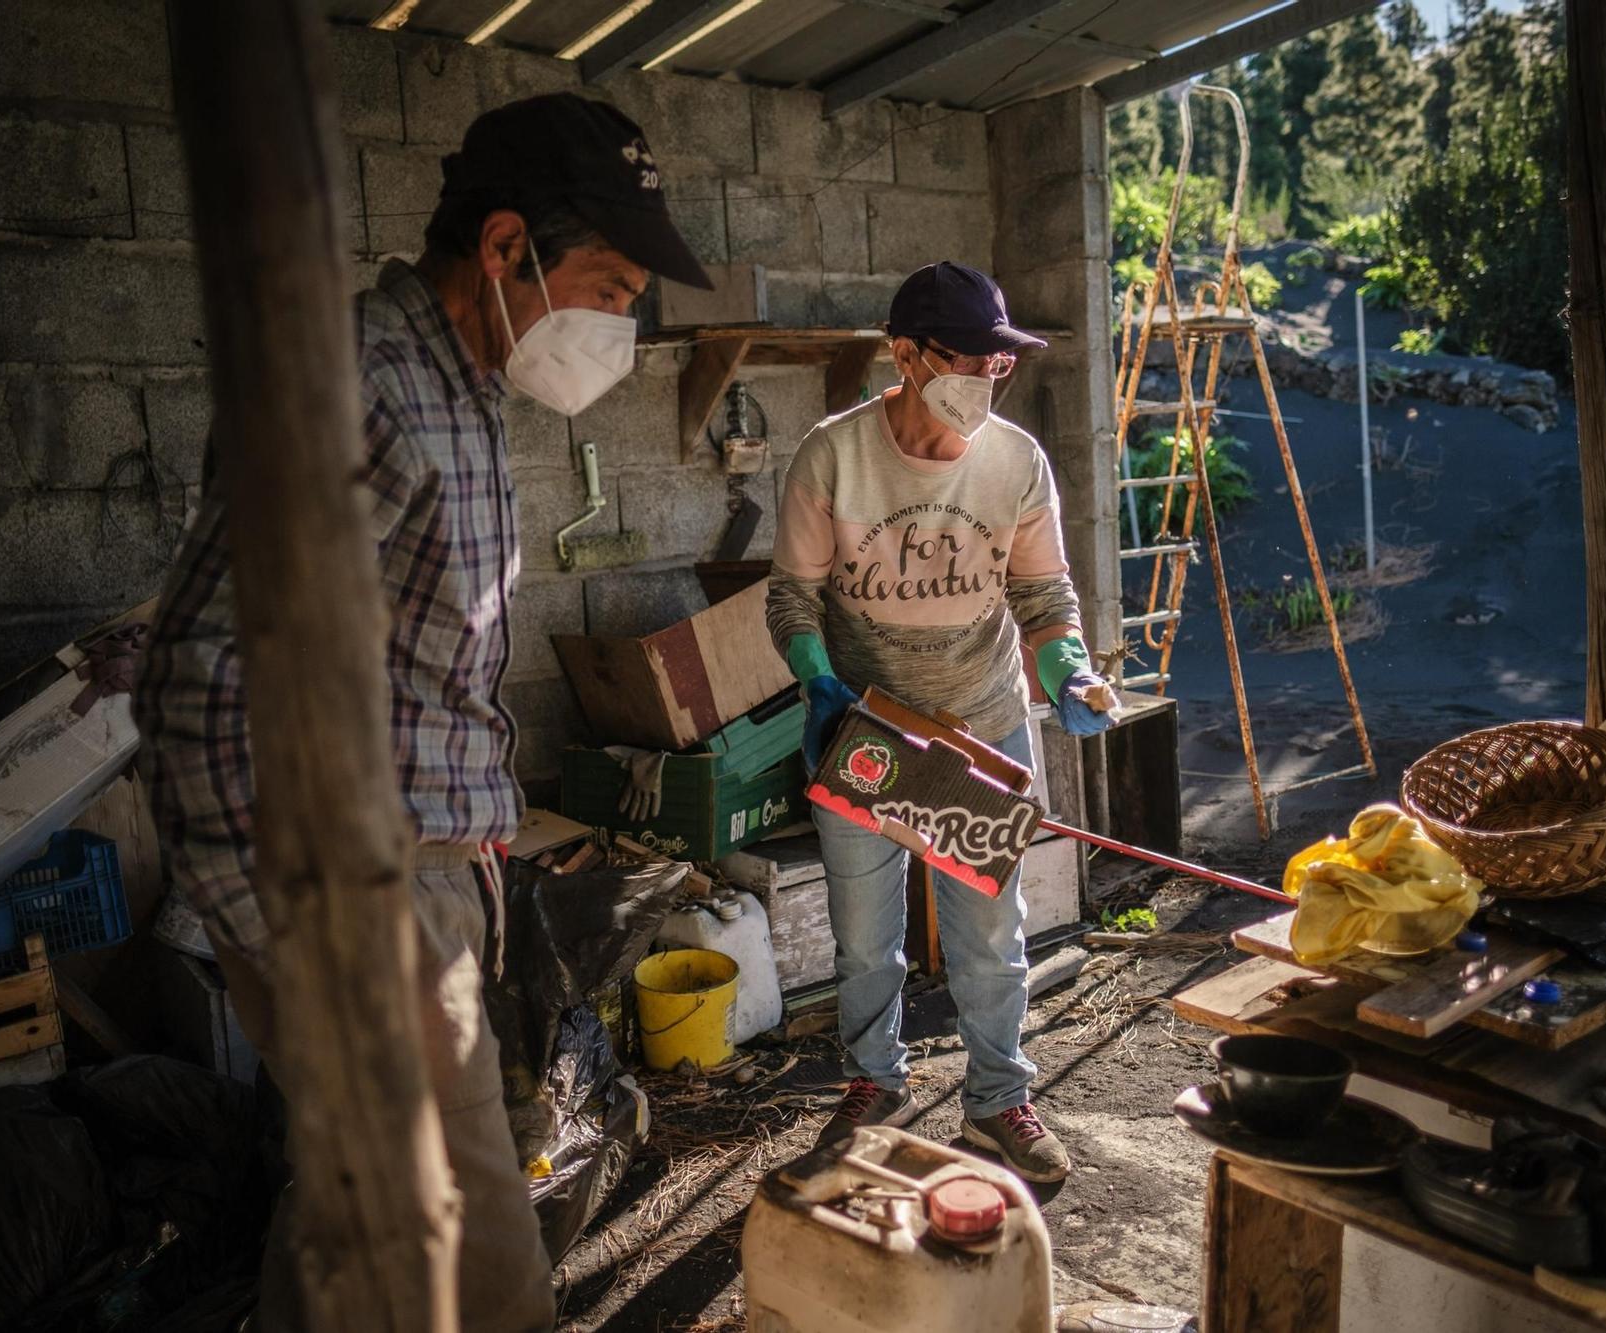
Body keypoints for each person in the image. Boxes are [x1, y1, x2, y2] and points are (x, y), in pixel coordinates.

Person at [135, 93, 712, 1333]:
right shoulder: (358, 386)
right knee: (477, 1266)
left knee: (354, 1238)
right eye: (609, 286)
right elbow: (196, 684)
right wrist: (307, 958)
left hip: (435, 882)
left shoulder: (464, 389)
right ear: (504, 249)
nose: (622, 325)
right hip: (362, 905)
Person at [765, 261, 1115, 1184]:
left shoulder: (1017, 460)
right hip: (866, 730)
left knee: (992, 932)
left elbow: (1044, 596)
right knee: (863, 934)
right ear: (905, 354)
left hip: (983, 720)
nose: (982, 381)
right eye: (963, 361)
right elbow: (793, 599)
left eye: (996, 365)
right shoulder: (832, 455)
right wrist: (816, 681)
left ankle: (1000, 1098)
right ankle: (874, 1082)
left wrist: (1069, 673)